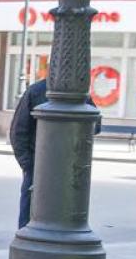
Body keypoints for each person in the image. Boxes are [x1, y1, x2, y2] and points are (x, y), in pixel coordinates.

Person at [9, 78, 100, 229]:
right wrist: (29, 165)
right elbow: (18, 132)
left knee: (34, 215)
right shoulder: (38, 91)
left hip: (55, 167)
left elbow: (96, 125)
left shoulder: (79, 94)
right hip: (54, 166)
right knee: (34, 212)